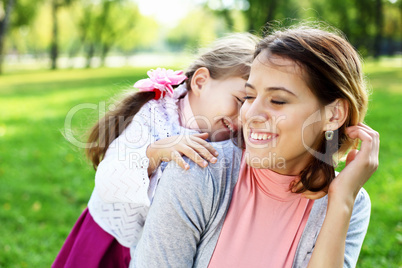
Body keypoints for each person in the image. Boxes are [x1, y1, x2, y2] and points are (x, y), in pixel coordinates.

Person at [132, 25, 379, 268]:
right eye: (249, 97)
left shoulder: (349, 203)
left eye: (278, 100)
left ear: (334, 115)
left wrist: (342, 200)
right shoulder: (198, 172)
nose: (251, 114)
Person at [53, 33, 261, 267]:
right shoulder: (153, 116)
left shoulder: (232, 136)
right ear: (201, 81)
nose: (244, 117)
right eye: (241, 100)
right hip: (112, 237)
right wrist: (153, 154)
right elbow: (107, 180)